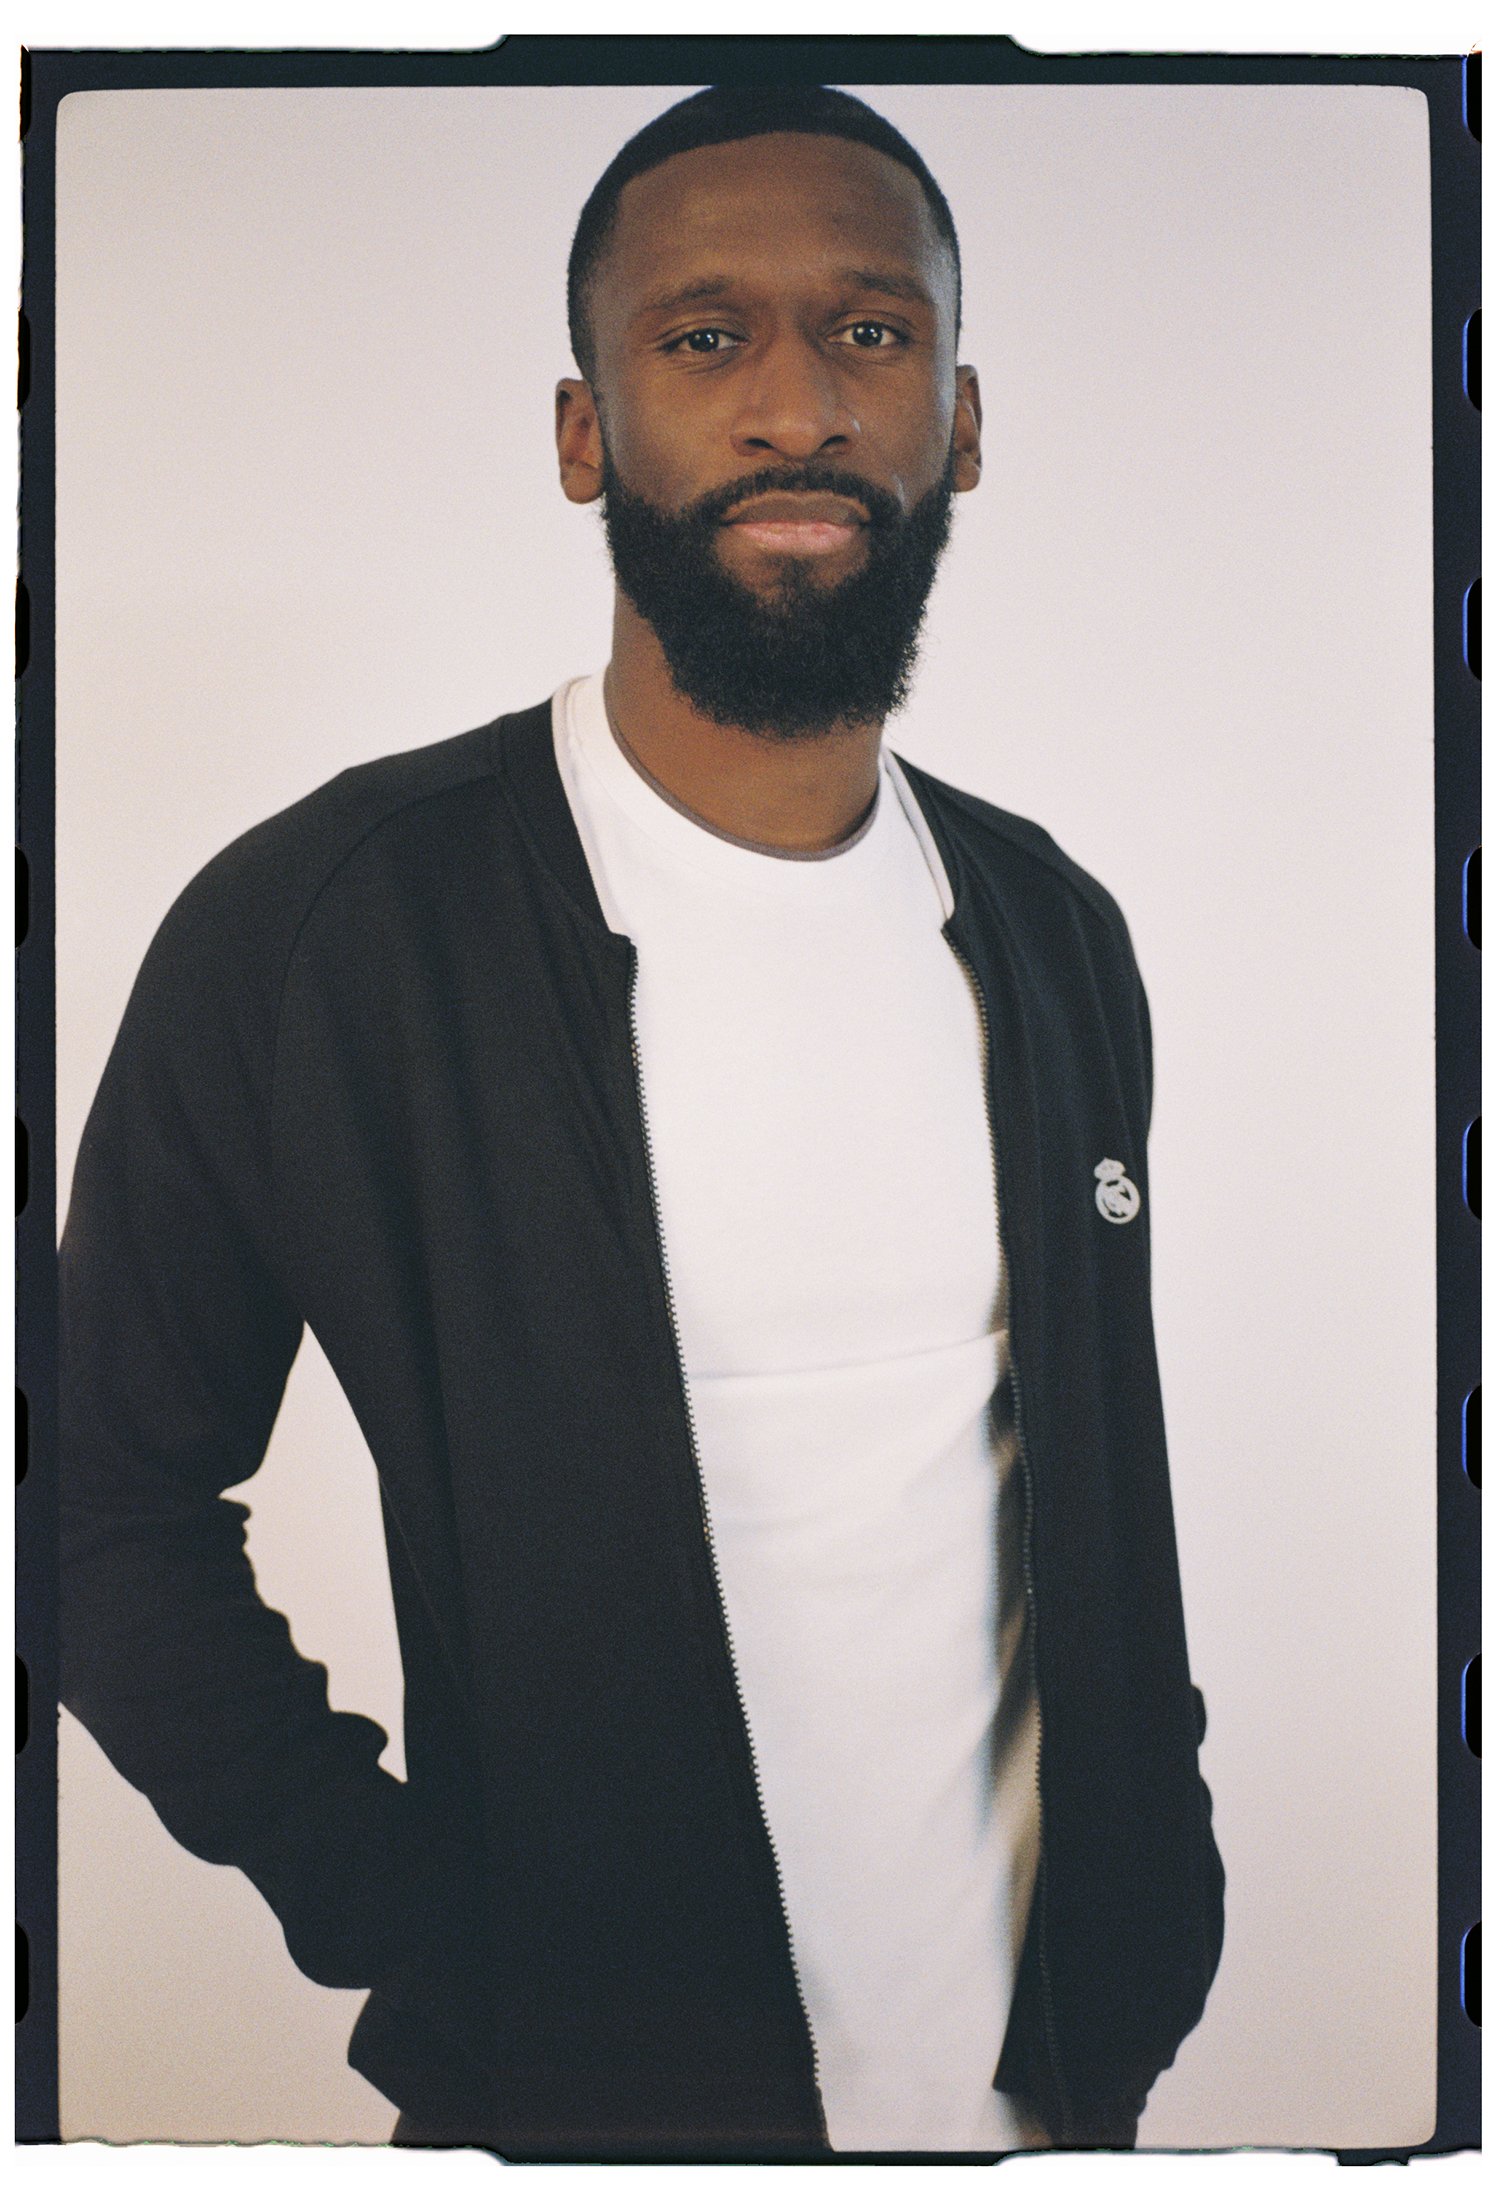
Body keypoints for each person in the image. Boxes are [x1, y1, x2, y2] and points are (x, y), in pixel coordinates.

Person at [59, 84, 1225, 2162]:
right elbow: (82, 1498)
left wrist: (1158, 1881)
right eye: (705, 337)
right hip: (581, 2117)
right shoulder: (330, 930)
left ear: (960, 417)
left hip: (1057, 2103)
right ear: (585, 431)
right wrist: (409, 1908)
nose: (798, 403)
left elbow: (1088, 1490)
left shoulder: (1053, 933)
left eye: (870, 331)